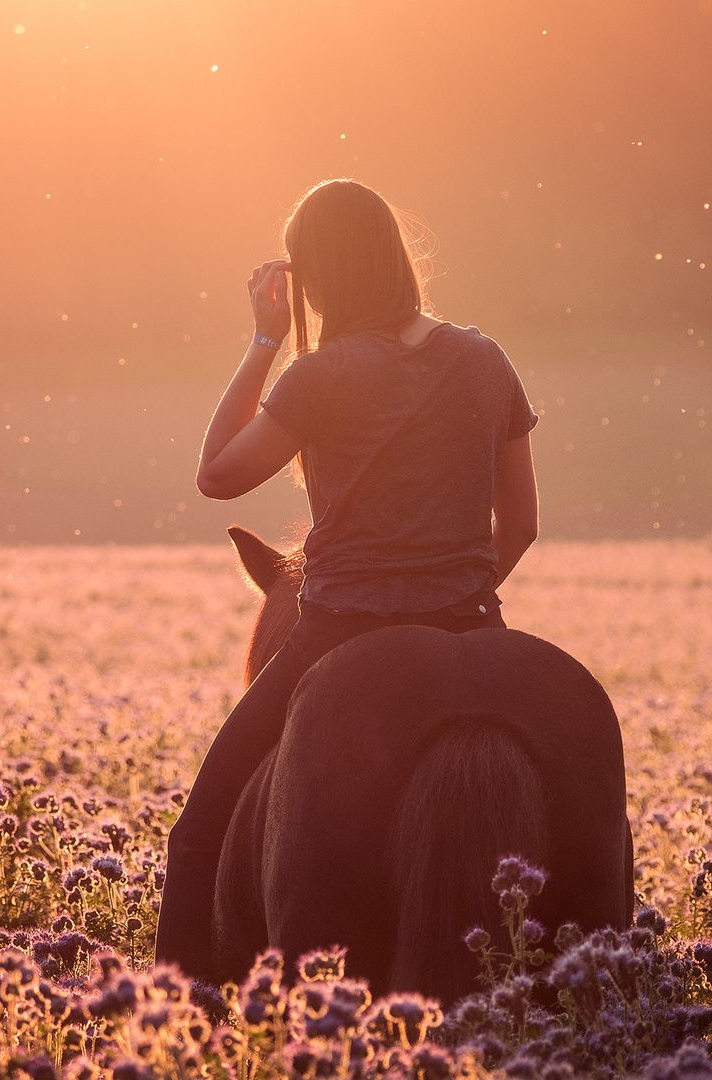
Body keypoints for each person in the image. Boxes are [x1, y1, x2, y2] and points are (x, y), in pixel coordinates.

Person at [154, 178, 540, 981]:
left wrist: (264, 340)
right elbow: (524, 524)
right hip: (474, 626)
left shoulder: (321, 375)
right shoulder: (485, 359)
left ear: (319, 277)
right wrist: (453, 596)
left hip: (341, 630)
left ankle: (179, 1032)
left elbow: (217, 477)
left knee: (198, 833)